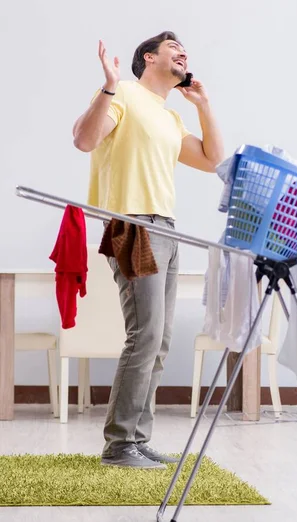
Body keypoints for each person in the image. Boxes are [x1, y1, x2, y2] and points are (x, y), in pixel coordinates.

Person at [72, 31, 224, 469]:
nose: (183, 53)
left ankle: (137, 439)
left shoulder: (169, 117)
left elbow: (214, 160)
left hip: (167, 229)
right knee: (145, 336)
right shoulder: (124, 94)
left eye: (185, 51)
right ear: (149, 57)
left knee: (159, 342)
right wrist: (108, 84)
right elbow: (84, 140)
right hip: (134, 225)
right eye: (173, 48)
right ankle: (119, 445)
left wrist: (203, 106)